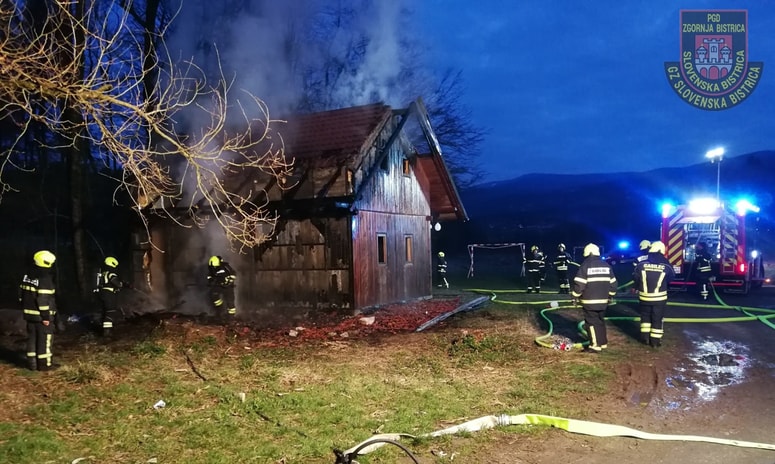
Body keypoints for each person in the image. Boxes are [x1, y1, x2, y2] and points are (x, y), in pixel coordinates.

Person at [571, 243, 617, 353]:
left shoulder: (586, 265)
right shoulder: (606, 265)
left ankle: (595, 345)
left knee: (591, 323)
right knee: (600, 321)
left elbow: (579, 284)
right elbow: (614, 284)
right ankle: (603, 342)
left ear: (587, 253)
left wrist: (574, 296)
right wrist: (610, 295)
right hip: (603, 302)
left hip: (589, 301)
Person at [18, 250, 58, 371]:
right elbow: (43, 300)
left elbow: (20, 294)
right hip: (41, 317)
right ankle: (44, 365)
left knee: (32, 339)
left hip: (29, 315)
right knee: (45, 340)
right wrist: (46, 317)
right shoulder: (45, 278)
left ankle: (32, 364)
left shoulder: (27, 275)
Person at [633, 241, 675, 347]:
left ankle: (644, 339)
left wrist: (638, 287)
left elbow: (636, 277)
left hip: (644, 296)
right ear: (661, 250)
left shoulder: (642, 264)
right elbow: (671, 277)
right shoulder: (666, 264)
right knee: (657, 318)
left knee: (645, 317)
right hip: (659, 297)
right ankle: (655, 342)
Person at [97, 256, 128, 338]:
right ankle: (107, 333)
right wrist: (123, 284)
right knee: (110, 312)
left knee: (106, 312)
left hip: (103, 293)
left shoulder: (103, 273)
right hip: (109, 294)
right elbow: (116, 283)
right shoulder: (111, 273)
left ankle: (104, 331)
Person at [208, 255, 237, 319]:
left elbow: (233, 273)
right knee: (213, 295)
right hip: (219, 285)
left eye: (215, 266)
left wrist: (230, 281)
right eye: (213, 267)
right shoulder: (212, 269)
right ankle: (221, 309)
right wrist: (210, 281)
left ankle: (231, 316)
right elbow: (210, 276)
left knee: (230, 301)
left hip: (228, 286)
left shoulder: (225, 266)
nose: (214, 268)